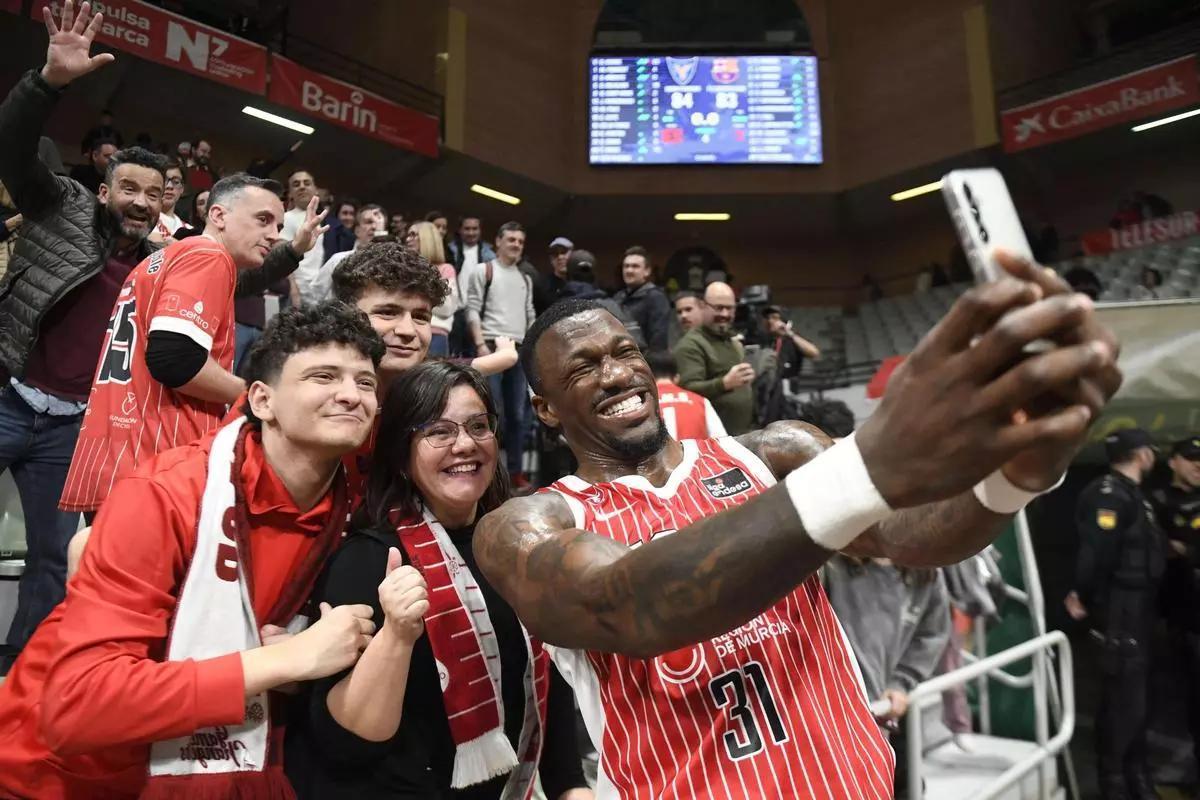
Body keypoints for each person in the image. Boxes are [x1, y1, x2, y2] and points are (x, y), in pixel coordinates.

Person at [470, 250, 1120, 799]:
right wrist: (867, 464)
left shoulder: (775, 452)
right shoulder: (524, 526)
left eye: (625, 352)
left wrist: (1020, 472)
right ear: (544, 410)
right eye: (584, 367)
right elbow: (627, 607)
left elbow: (915, 535)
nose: (617, 374)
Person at [0, 302, 385, 798]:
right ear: (262, 400)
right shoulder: (166, 495)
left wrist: (294, 659)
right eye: (323, 376)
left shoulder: (355, 503)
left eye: (365, 382)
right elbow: (78, 706)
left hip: (236, 761)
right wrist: (287, 661)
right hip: (62, 776)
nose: (351, 394)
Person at [285, 360, 591, 800]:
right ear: (402, 455)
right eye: (439, 432)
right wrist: (396, 634)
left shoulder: (524, 547)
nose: (464, 444)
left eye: (478, 426)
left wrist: (573, 789)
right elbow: (347, 744)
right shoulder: (366, 560)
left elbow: (555, 723)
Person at [0, 8, 169, 670]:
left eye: (154, 194)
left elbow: (232, 276)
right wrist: (46, 83)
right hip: (9, 396)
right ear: (103, 190)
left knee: (53, 560)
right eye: (129, 187)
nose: (141, 201)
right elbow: (13, 147)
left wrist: (289, 254)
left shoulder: (158, 267)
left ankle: (19, 677)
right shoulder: (59, 205)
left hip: (70, 429)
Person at [59, 173, 327, 519]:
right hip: (156, 460)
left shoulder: (165, 257)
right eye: (263, 219)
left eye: (277, 224)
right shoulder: (207, 256)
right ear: (218, 215)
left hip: (116, 451)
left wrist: (294, 250)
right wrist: (258, 396)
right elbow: (175, 360)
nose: (275, 234)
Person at [1064, 428, 1165, 800]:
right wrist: (1083, 595)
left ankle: (1136, 777)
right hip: (1119, 610)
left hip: (1137, 609)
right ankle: (1115, 784)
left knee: (1135, 701)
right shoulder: (1108, 495)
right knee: (1123, 702)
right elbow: (1096, 553)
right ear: (1141, 454)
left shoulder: (1132, 495)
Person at [462, 221, 535, 487]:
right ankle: (489, 474)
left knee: (517, 415)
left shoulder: (526, 278)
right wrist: (481, 344)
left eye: (520, 241)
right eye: (512, 239)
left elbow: (530, 314)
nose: (516, 245)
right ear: (499, 241)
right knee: (490, 412)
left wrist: (530, 349)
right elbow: (472, 309)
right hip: (490, 345)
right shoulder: (485, 270)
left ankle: (514, 473)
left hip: (518, 348)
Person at [1150, 436, 1200, 780]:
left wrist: (1187, 551)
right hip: (1172, 613)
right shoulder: (1155, 500)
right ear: (1173, 462)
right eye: (1191, 458)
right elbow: (1152, 548)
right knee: (1183, 695)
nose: (1198, 465)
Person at [674, 281, 755, 435]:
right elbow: (687, 391)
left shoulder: (730, 341)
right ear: (703, 306)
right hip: (712, 438)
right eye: (718, 308)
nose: (724, 314)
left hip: (741, 433)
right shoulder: (690, 344)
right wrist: (724, 383)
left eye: (729, 308)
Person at [407, 220, 460, 358]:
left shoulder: (445, 269)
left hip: (435, 335)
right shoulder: (405, 269)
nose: (407, 239)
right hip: (407, 331)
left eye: (413, 235)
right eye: (408, 235)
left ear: (427, 238)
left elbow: (447, 308)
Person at [646, 350, 726, 440]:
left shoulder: (642, 404)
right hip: (694, 449)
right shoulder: (701, 402)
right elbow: (722, 442)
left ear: (647, 377)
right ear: (677, 378)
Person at [282, 169, 328, 306]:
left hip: (321, 289)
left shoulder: (323, 219)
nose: (302, 187)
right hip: (299, 290)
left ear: (316, 190)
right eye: (296, 184)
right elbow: (283, 256)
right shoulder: (286, 218)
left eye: (306, 183)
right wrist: (293, 289)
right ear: (290, 193)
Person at [613, 245, 672, 351]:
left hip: (645, 358)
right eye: (626, 266)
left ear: (647, 271)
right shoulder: (618, 298)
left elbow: (659, 338)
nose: (629, 270)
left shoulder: (656, 298)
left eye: (635, 266)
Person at [762, 304, 820, 380]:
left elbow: (814, 353)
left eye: (774, 318)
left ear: (784, 322)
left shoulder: (792, 340)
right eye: (767, 318)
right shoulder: (761, 340)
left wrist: (790, 334)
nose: (769, 321)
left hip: (787, 383)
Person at [150, 158, 190, 241]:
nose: (169, 186)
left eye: (176, 182)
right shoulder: (143, 220)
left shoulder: (189, 230)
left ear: (182, 189)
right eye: (164, 180)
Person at [533, 236, 573, 315]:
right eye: (555, 254)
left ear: (572, 254)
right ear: (551, 259)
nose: (560, 257)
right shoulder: (542, 286)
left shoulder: (582, 281)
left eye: (563, 252)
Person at [322, 196, 359, 263]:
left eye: (352, 214)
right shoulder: (330, 231)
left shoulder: (359, 235)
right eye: (345, 213)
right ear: (337, 214)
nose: (348, 217)